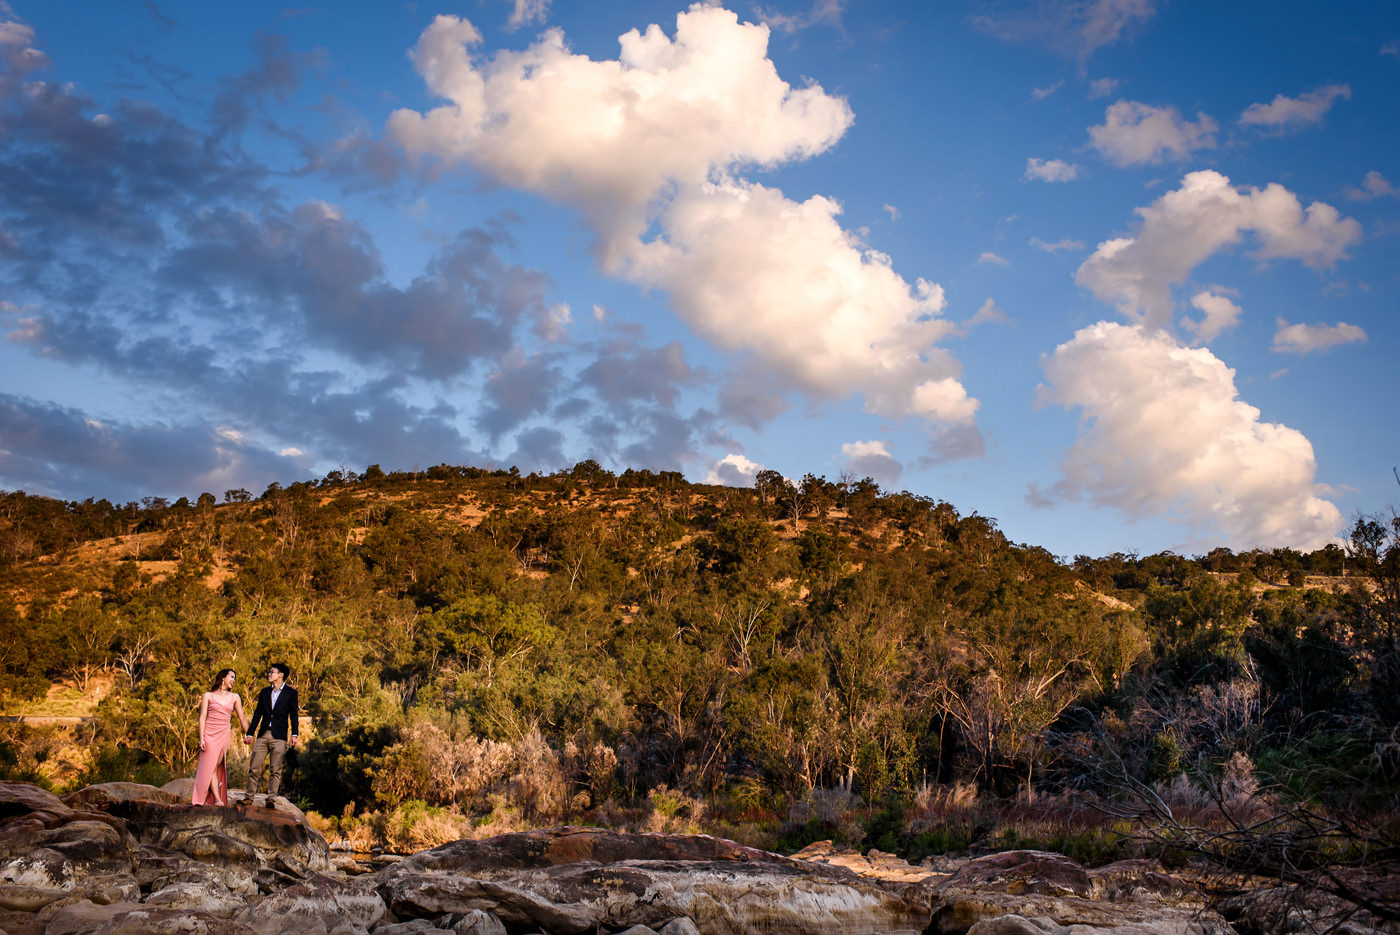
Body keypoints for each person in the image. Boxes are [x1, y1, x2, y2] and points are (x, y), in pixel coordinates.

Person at [243, 662, 299, 806]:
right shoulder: (264, 692)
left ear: (280, 675)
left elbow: (294, 715)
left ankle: (271, 800)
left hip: (279, 736)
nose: (269, 674)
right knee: (254, 767)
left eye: (272, 672)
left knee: (276, 770)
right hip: (263, 735)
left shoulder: (291, 693)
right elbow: (257, 714)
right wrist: (250, 733)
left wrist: (294, 734)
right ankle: (248, 798)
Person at [192, 668, 249, 806]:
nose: (233, 680)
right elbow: (202, 718)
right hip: (209, 734)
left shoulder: (235, 697)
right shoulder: (208, 696)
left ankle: (208, 796)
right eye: (232, 677)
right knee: (209, 765)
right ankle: (216, 798)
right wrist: (201, 738)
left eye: (234, 678)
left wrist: (249, 733)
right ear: (223, 678)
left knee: (216, 765)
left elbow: (241, 717)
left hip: (224, 734)